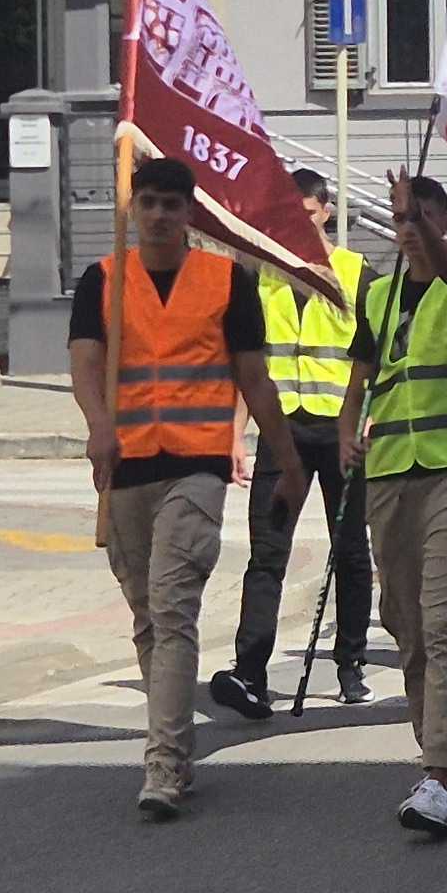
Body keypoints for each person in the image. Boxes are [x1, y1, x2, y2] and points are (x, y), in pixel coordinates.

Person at [69, 156, 302, 821]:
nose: (159, 215)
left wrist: (288, 463)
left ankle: (164, 762)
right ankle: (173, 738)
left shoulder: (227, 281)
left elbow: (254, 379)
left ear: (190, 213)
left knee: (173, 609)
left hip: (198, 466)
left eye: (171, 204)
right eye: (148, 202)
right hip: (126, 465)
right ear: (132, 208)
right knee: (148, 617)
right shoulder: (103, 279)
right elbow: (85, 363)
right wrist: (98, 425)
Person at [347, 172, 447, 838]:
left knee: (444, 619)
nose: (408, 230)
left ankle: (440, 772)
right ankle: (432, 758)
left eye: (420, 218)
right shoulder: (378, 296)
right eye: (400, 219)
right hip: (389, 473)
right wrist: (346, 435)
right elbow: (362, 376)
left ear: (443, 224)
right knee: (406, 624)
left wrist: (427, 226)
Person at [219, 169, 376, 720]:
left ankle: (351, 663)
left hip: (340, 433)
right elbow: (249, 364)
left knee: (350, 553)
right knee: (267, 555)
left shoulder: (358, 274)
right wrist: (236, 434)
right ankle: (250, 673)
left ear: (325, 212)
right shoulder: (260, 274)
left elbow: (376, 357)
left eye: (306, 213)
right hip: (281, 431)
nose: (298, 224)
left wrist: (370, 419)